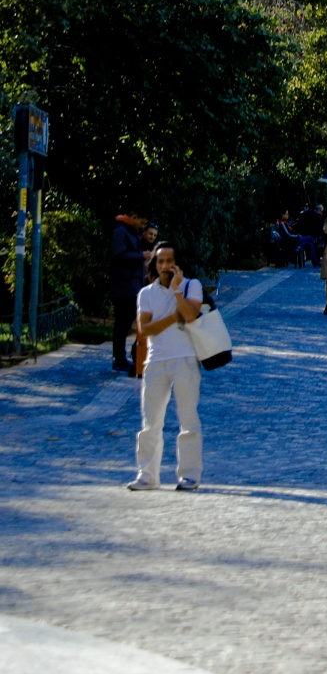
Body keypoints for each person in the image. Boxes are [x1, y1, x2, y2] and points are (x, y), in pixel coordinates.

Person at [125, 244, 207, 491]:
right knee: (150, 422)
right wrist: (174, 317)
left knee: (188, 419)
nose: (164, 266)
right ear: (154, 264)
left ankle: (189, 474)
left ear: (178, 264)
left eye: (169, 261)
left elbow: (191, 316)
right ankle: (147, 475)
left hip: (185, 360)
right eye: (160, 261)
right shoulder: (146, 294)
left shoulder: (192, 286)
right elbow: (145, 329)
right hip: (155, 360)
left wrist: (176, 293)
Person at [109, 210, 149, 374]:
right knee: (122, 325)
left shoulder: (132, 232)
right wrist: (142, 256)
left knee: (129, 324)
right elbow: (118, 256)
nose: (143, 226)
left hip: (133, 286)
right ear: (134, 217)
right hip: (124, 287)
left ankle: (129, 356)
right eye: (142, 222)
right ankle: (119, 359)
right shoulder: (121, 232)